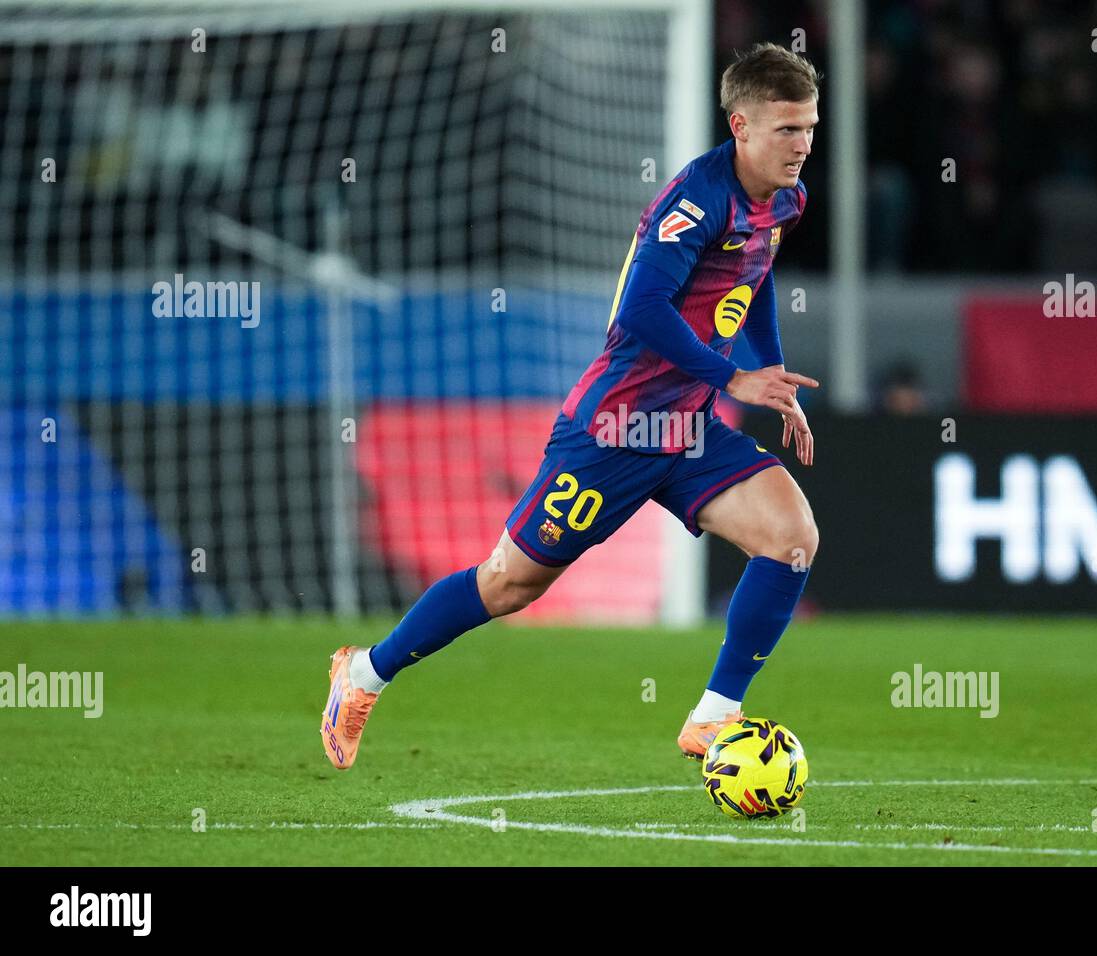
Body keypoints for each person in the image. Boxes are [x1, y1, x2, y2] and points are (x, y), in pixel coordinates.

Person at [321, 43, 823, 773]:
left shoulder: (783, 198)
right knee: (508, 583)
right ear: (741, 126)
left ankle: (714, 719)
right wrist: (731, 379)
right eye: (787, 129)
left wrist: (768, 366)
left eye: (810, 127)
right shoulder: (695, 201)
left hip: (685, 431)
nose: (803, 145)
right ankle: (362, 674)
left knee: (792, 536)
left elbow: (758, 269)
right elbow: (642, 308)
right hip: (616, 429)